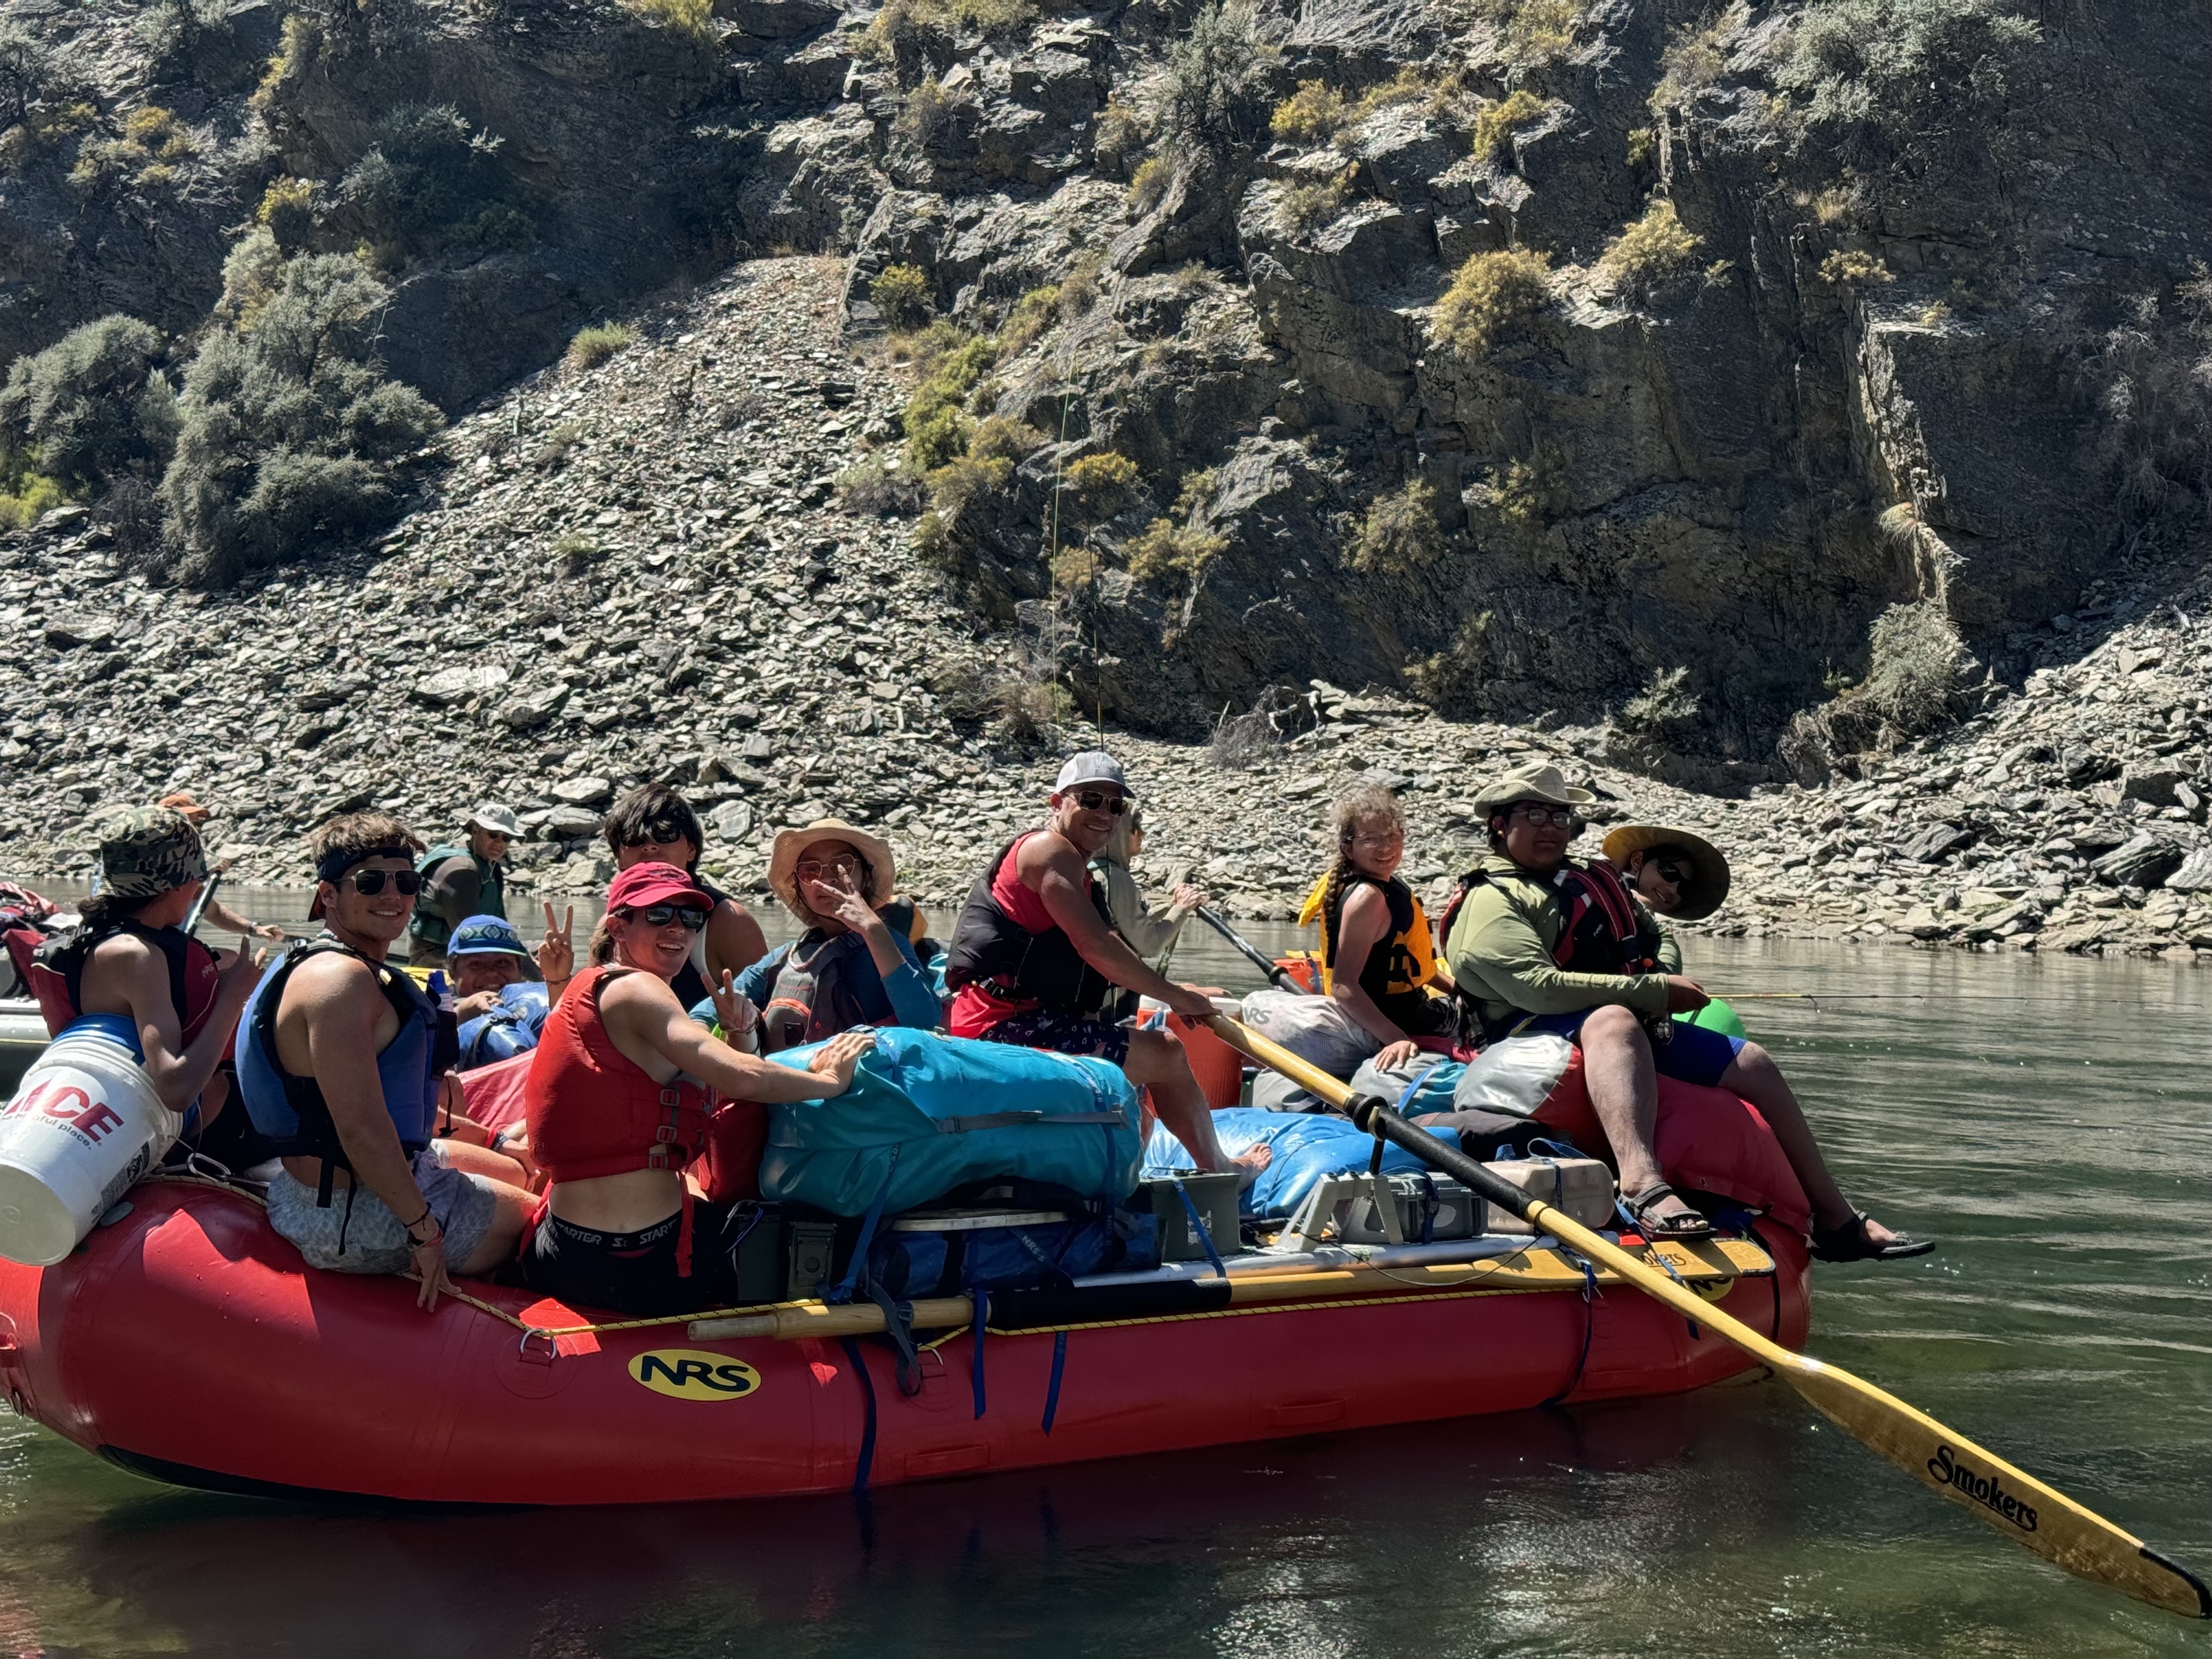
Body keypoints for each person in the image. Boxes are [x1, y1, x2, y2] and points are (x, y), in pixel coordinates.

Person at [1441, 762, 1931, 1261]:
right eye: (1533, 813)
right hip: (1519, 1035)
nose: (1551, 826)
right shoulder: (1490, 898)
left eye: (1560, 815)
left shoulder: (1587, 881)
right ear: (1500, 823)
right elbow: (1537, 988)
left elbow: (1658, 935)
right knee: (1616, 1019)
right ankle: (1641, 1181)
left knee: (1752, 1062)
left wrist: (1659, 972)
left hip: (1605, 1021)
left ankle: (1836, 1218)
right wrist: (1652, 990)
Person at [522, 861, 873, 1315]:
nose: (679, 928)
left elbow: (711, 1078)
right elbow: (740, 1078)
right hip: (646, 1260)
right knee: (795, 1228)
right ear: (617, 927)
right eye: (659, 915)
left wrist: (741, 1031)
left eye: (690, 918)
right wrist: (829, 1081)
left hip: (564, 1251)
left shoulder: (589, 992)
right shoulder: (638, 991)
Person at [239, 813, 535, 1311]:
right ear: (328, 894)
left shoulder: (343, 967)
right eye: (371, 882)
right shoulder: (340, 984)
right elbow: (360, 1131)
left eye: (406, 881)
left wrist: (495, 1138)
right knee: (536, 1218)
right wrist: (423, 1231)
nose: (393, 896)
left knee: (519, 1170)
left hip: (362, 1181)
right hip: (351, 1215)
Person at [944, 752, 1248, 1177]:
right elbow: (1097, 948)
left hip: (1020, 1019)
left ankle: (1125, 1191)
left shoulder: (1075, 865)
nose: (1105, 813)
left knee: (1138, 1091)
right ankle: (1221, 1170)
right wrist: (1179, 998)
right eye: (1090, 800)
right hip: (1002, 1029)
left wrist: (1180, 993)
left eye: (1115, 805)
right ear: (1057, 802)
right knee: (1166, 1053)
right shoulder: (1050, 852)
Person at [38, 808, 264, 1150]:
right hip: (193, 1135)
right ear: (176, 885)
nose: (199, 887)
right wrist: (234, 996)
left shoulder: (105, 933)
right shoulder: (136, 955)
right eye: (197, 877)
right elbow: (176, 1090)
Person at [726, 818, 940, 1049]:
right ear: (800, 887)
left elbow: (924, 1020)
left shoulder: (890, 942)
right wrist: (728, 1012)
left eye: (842, 866)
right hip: (793, 1080)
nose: (826, 879)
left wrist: (873, 930)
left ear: (865, 876)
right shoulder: (789, 955)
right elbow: (721, 1000)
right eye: (810, 871)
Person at [1296, 783, 1456, 1073]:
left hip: (1406, 1009)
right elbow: (1344, 987)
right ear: (1349, 847)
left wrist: (1461, 992)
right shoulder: (1367, 898)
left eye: (1393, 836)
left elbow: (1419, 968)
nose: (1386, 848)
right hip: (1399, 1020)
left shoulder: (1377, 886)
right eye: (1371, 840)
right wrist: (1396, 1039)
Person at [602, 785, 768, 1009]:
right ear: (619, 858)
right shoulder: (613, 921)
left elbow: (769, 1010)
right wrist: (558, 980)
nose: (650, 847)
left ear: (691, 849)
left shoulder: (730, 922)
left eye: (666, 835)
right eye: (635, 838)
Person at [154, 793, 289, 942]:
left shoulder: (190, 867)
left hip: (174, 946)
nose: (193, 829)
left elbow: (214, 912)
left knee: (228, 957)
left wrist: (253, 929)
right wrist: (205, 876)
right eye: (185, 822)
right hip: (152, 945)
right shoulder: (150, 857)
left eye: (196, 824)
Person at [1091, 802, 1204, 968]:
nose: (1142, 834)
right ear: (1119, 833)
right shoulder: (1116, 879)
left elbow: (1126, 926)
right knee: (1220, 993)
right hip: (1113, 990)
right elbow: (1150, 946)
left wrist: (1171, 905)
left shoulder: (1090, 868)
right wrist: (1182, 909)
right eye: (1135, 828)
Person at [407, 805, 520, 967]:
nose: (499, 843)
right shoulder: (462, 871)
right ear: (475, 830)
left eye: (506, 838)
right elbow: (467, 936)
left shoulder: (490, 868)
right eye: (493, 834)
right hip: (437, 955)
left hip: (474, 947)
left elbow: (501, 924)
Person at [1601, 823, 1730, 944]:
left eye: (1684, 888)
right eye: (1670, 873)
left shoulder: (1657, 937)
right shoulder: (1592, 886)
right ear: (1637, 861)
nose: (1674, 890)